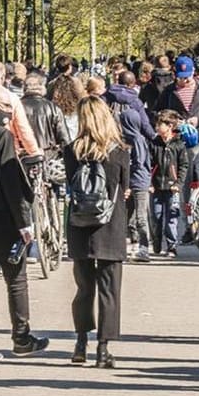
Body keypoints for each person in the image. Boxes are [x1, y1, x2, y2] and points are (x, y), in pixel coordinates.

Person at [0, 87, 46, 357]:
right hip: (3, 218)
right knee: (16, 279)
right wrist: (24, 222)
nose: (10, 110)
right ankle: (21, 337)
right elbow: (10, 181)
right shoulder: (0, 135)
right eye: (6, 105)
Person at [64, 96, 132, 367]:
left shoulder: (72, 151)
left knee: (83, 288)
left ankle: (80, 342)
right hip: (110, 224)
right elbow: (125, 187)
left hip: (80, 225)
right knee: (109, 288)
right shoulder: (119, 151)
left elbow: (69, 183)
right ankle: (103, 349)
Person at [106, 70, 157, 261]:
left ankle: (125, 244)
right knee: (140, 214)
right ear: (132, 83)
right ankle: (143, 246)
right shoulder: (135, 104)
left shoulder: (107, 97)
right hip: (140, 179)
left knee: (124, 214)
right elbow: (145, 126)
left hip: (124, 176)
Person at [149, 110, 189, 258]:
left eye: (161, 125)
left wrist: (178, 183)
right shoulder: (154, 143)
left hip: (172, 188)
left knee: (171, 218)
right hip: (157, 186)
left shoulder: (178, 145)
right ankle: (157, 242)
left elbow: (183, 166)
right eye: (157, 124)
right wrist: (150, 183)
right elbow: (149, 164)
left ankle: (172, 246)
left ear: (170, 126)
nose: (158, 127)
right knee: (156, 217)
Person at [156, 54, 199, 140]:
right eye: (180, 77)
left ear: (193, 71)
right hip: (177, 139)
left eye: (187, 77)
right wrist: (172, 121)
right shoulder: (169, 91)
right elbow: (156, 112)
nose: (184, 80)